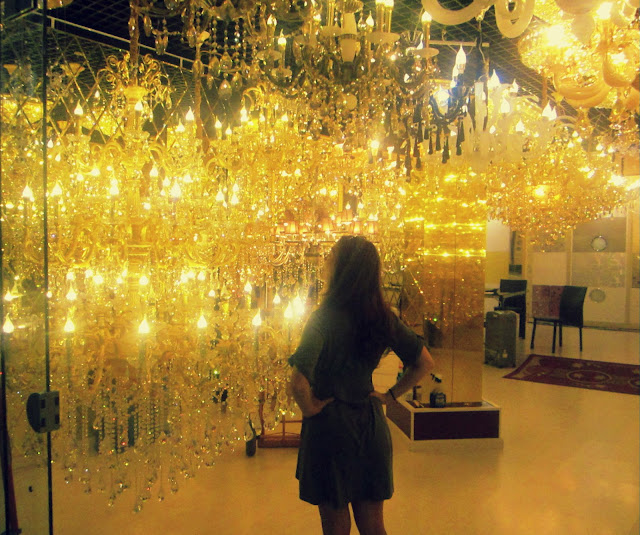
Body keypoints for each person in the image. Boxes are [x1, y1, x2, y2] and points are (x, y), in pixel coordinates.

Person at [288, 235, 435, 535]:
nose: (326, 263)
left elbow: (299, 383)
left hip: (330, 428)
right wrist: (390, 395)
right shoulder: (381, 318)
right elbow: (424, 362)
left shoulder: (323, 319)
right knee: (373, 526)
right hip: (369, 425)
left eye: (331, 258)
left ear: (341, 270)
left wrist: (311, 408)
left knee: (336, 528)